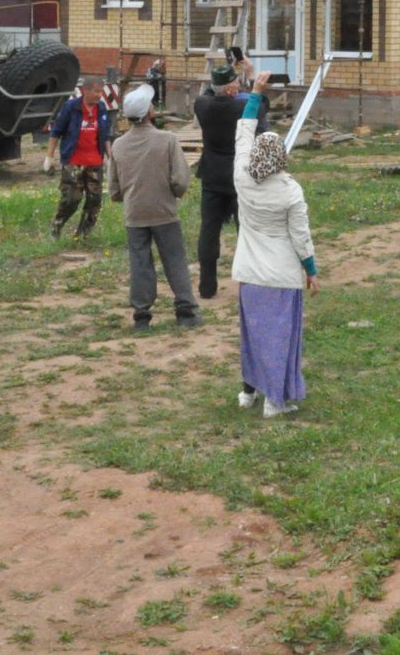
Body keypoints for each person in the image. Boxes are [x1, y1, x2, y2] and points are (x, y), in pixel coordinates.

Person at [232, 70, 317, 419]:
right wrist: (310, 270)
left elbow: (243, 133)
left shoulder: (242, 176)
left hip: (250, 274)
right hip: (281, 276)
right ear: (281, 156)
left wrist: (255, 93)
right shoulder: (289, 192)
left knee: (252, 337)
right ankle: (274, 401)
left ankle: (247, 394)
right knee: (279, 339)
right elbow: (300, 236)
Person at [107, 85, 198, 331]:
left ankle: (142, 315)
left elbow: (114, 188)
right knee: (174, 259)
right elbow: (180, 179)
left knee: (140, 262)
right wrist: (174, 193)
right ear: (149, 112)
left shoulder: (118, 145)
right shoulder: (167, 140)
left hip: (134, 213)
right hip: (163, 211)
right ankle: (186, 311)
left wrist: (125, 196)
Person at [194, 62, 268, 298]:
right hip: (239, 176)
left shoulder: (201, 105)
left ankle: (207, 287)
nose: (238, 85)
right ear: (228, 90)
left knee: (209, 230)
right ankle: (250, 284)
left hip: (212, 177)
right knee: (245, 231)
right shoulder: (242, 107)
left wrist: (229, 78)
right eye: (235, 83)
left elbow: (209, 91)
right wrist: (253, 79)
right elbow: (262, 106)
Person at [47, 77, 113, 242]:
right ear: (85, 91)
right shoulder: (71, 107)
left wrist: (110, 157)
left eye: (101, 92)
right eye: (96, 91)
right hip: (74, 162)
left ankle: (83, 235)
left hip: (95, 161)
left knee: (95, 201)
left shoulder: (102, 108)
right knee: (71, 199)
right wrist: (49, 157)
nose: (100, 95)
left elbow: (105, 135)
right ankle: (57, 226)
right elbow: (56, 132)